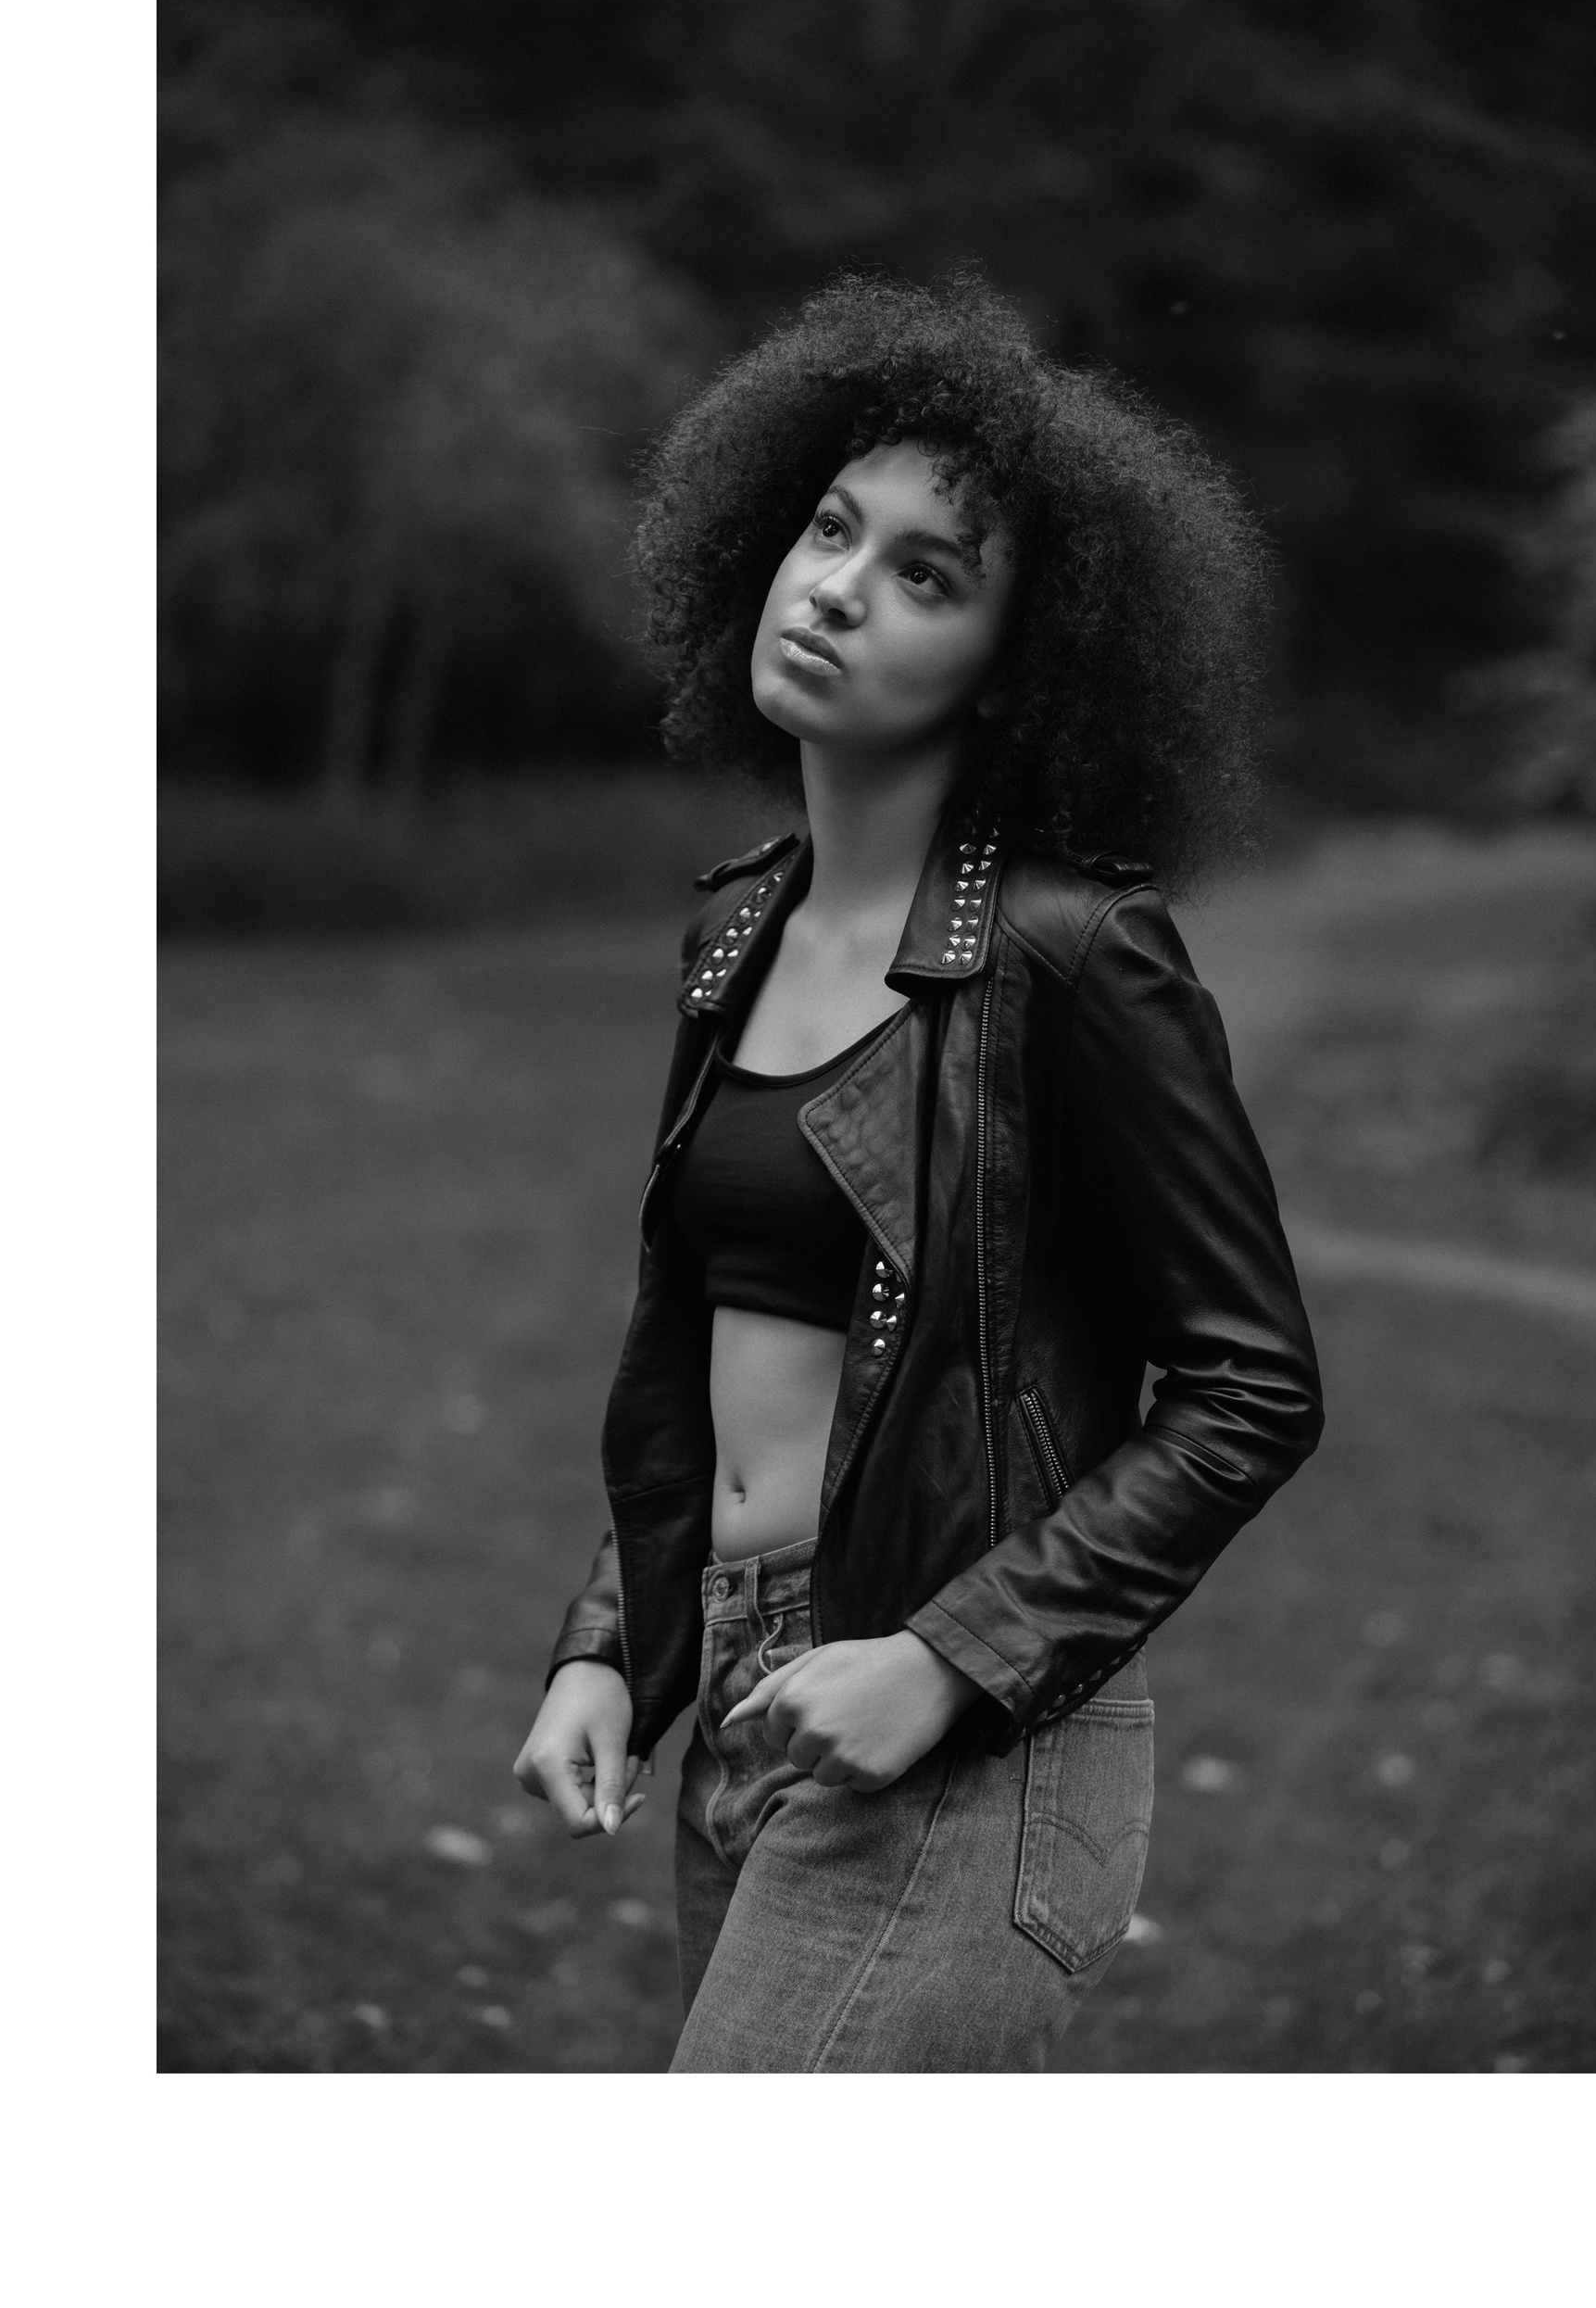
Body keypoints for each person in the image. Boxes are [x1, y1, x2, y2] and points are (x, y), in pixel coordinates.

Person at [513, 270, 1323, 2070]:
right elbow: (703, 1356)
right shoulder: (740, 932)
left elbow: (1253, 1388)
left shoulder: (1073, 957)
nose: (835, 589)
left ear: (1017, 670)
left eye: (926, 575)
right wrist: (611, 1646)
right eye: (829, 528)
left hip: (967, 1733)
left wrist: (950, 1658)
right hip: (750, 1697)